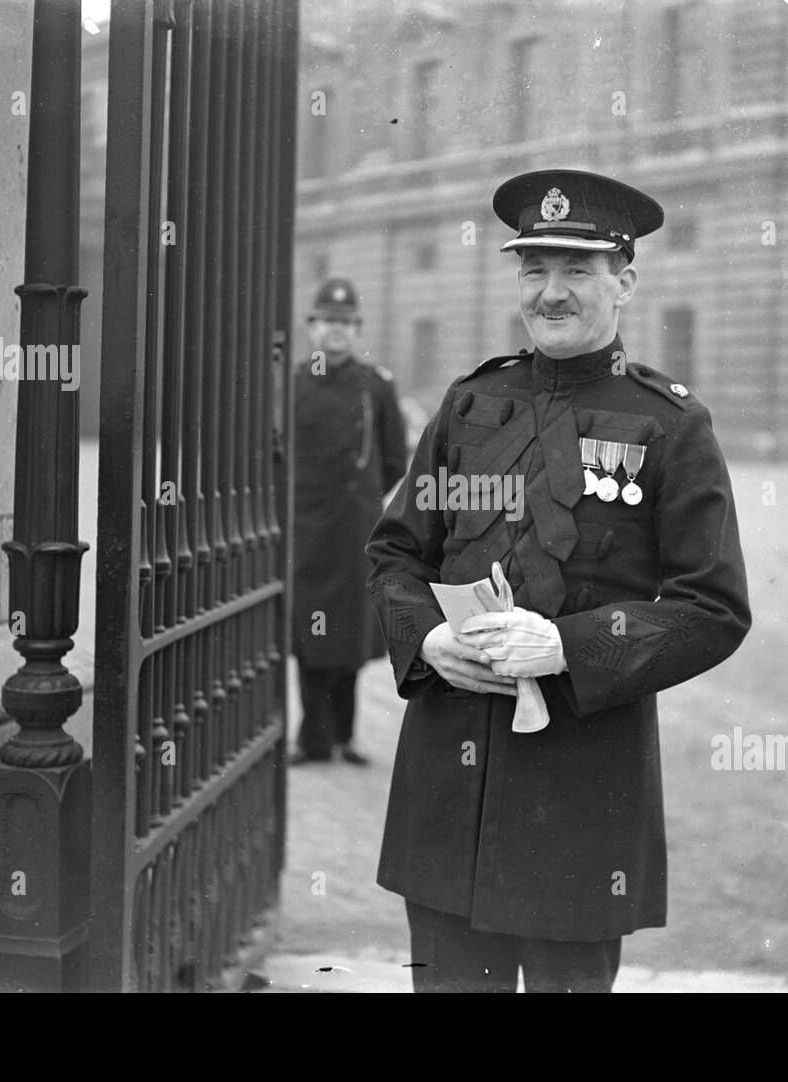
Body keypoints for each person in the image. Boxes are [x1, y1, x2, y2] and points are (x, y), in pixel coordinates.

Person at [365, 169, 751, 991]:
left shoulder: (671, 426)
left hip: (578, 797)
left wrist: (566, 646)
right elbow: (396, 554)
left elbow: (712, 607)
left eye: (577, 270)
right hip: (447, 782)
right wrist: (427, 638)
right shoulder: (470, 406)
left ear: (625, 282)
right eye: (535, 270)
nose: (552, 293)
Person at [290, 277, 407, 766]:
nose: (335, 331)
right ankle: (312, 739)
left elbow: (396, 459)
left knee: (349, 631)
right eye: (326, 322)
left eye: (344, 323)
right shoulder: (293, 382)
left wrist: (361, 500)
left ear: (356, 329)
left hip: (356, 527)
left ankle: (345, 735)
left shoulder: (376, 386)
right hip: (306, 524)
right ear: (311, 327)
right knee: (309, 631)